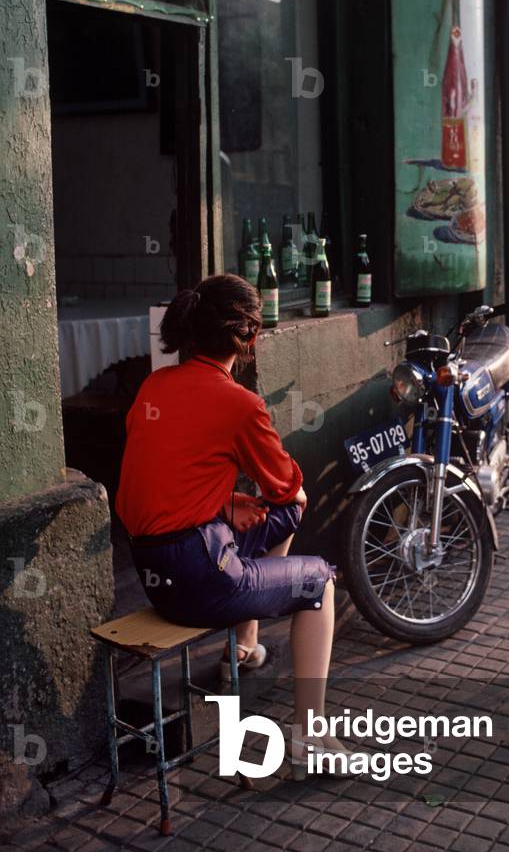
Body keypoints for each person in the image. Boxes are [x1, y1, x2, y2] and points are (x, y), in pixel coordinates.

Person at [115, 273, 346, 777]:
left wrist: (225, 504)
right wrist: (249, 499)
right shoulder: (239, 402)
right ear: (251, 338)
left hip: (156, 574)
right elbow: (289, 489)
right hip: (199, 579)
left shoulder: (155, 385)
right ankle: (311, 738)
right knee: (320, 581)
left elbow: (146, 494)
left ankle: (247, 644)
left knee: (266, 513)